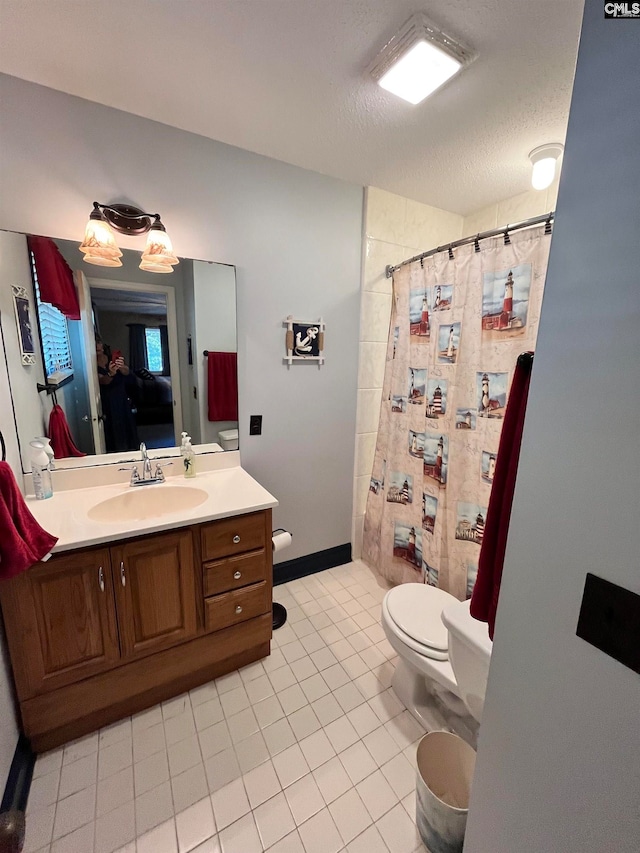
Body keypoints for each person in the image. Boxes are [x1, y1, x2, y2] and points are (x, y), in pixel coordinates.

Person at [96, 336, 138, 452]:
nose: (97, 346)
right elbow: (102, 381)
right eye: (94, 343)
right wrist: (111, 373)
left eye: (98, 342)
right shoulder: (91, 364)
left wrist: (122, 367)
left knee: (127, 428)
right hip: (108, 400)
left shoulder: (111, 358)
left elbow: (128, 374)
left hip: (121, 397)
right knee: (113, 431)